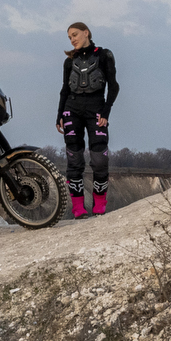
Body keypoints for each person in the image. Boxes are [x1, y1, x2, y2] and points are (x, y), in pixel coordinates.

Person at [58, 21, 118, 218]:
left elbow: (113, 86)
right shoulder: (69, 62)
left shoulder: (104, 55)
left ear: (86, 33)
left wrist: (106, 112)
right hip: (71, 109)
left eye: (75, 35)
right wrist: (59, 115)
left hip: (96, 110)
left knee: (99, 159)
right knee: (74, 160)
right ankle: (78, 209)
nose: (72, 39)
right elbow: (65, 90)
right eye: (69, 37)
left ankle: (100, 204)